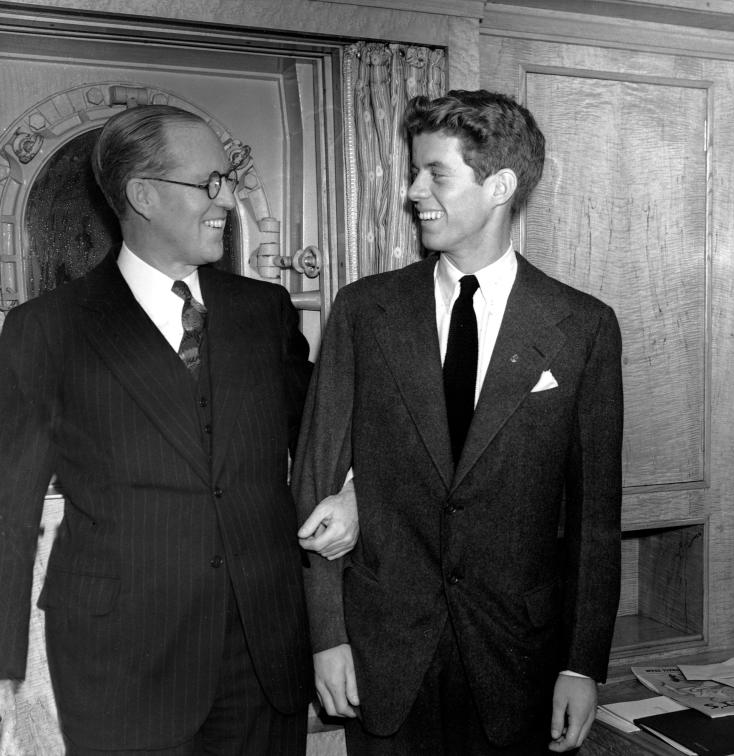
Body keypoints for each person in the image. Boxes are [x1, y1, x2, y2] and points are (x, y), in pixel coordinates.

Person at [0, 103, 357, 754]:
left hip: (263, 654)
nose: (228, 201)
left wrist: (354, 491)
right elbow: (8, 510)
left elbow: (323, 440)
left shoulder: (264, 312)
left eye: (230, 181)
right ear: (142, 194)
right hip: (122, 664)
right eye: (210, 184)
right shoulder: (47, 329)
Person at [294, 89, 623, 754]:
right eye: (415, 172)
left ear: (499, 185)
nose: (414, 191)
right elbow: (317, 480)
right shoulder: (365, 312)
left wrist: (582, 663)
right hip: (383, 659)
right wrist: (328, 636)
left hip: (521, 665)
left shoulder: (582, 327)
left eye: (434, 173)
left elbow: (593, 519)